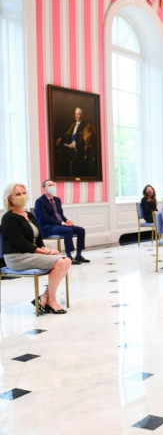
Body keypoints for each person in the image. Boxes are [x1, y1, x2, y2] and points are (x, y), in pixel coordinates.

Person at [2, 183, 72, 314]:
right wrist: (44, 252)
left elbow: (39, 239)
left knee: (66, 261)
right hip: (16, 257)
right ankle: (51, 300)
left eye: (24, 193)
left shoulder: (30, 215)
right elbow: (20, 243)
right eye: (18, 194)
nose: (22, 196)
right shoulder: (8, 218)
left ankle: (44, 297)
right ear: (10, 198)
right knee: (59, 262)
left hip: (31, 253)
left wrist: (46, 250)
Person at [34, 179, 89, 265]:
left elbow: (60, 215)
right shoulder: (39, 201)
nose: (52, 187)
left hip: (60, 224)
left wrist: (67, 220)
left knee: (81, 230)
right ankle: (69, 256)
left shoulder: (57, 200)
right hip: (48, 226)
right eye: (49, 185)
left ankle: (79, 255)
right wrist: (61, 223)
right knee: (68, 231)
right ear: (44, 188)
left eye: (53, 185)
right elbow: (45, 218)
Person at [54, 107, 97, 178]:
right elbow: (68, 134)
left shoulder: (86, 126)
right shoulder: (73, 124)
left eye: (78, 114)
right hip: (71, 146)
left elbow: (85, 141)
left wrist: (75, 145)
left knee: (74, 163)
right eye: (75, 114)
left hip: (80, 149)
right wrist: (61, 138)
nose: (76, 116)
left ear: (82, 115)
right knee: (61, 155)